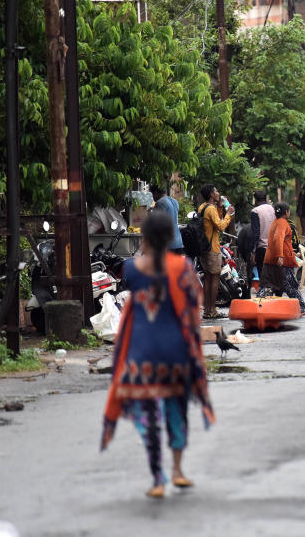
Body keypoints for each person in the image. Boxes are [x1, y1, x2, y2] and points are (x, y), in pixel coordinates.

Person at [100, 210, 214, 499]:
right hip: (176, 354)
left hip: (143, 356)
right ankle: (177, 470)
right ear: (170, 237)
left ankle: (158, 479)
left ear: (146, 238)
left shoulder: (132, 269)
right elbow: (191, 312)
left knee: (150, 418)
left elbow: (132, 311)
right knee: (177, 412)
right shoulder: (184, 267)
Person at [257, 203, 305, 315]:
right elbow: (278, 238)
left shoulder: (275, 222)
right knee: (291, 285)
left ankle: (261, 307)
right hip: (282, 261)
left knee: (269, 285)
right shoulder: (283, 223)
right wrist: (280, 256)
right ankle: (301, 307)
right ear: (286, 212)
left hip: (270, 259)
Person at [197, 185, 234, 319]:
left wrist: (220, 207)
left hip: (204, 248)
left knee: (207, 278)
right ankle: (212, 311)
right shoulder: (211, 209)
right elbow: (221, 226)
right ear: (212, 194)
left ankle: (208, 310)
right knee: (215, 278)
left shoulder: (203, 207)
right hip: (213, 249)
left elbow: (214, 222)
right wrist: (228, 215)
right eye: (216, 191)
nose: (218, 193)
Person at [150, 185, 183, 255]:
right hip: (178, 242)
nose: (153, 197)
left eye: (152, 194)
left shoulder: (160, 203)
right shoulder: (175, 201)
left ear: (156, 192)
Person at [249, 191, 275, 280]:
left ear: (255, 200)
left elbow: (255, 233)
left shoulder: (255, 211)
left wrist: (253, 251)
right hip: (275, 248)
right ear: (266, 198)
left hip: (262, 248)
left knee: (263, 275)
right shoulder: (273, 209)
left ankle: (265, 293)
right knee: (272, 275)